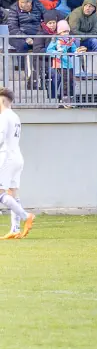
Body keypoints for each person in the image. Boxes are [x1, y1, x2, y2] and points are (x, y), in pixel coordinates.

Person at [0, 89, 33, 239]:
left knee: (1, 194)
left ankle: (26, 216)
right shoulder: (15, 116)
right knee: (12, 193)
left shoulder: (4, 117)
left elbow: (1, 138)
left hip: (7, 157)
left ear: (2, 100)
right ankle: (15, 229)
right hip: (18, 157)